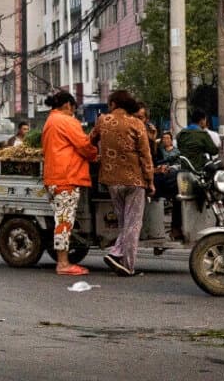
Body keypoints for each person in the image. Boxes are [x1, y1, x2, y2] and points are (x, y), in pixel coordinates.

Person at [90, 90, 153, 277]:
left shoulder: (103, 121)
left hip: (111, 181)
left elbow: (90, 141)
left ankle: (118, 256)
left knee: (124, 222)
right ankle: (126, 263)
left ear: (114, 104)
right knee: (133, 224)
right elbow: (145, 156)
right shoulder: (137, 124)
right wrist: (150, 181)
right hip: (134, 181)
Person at [41, 89, 98, 276]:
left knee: (61, 219)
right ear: (67, 105)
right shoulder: (66, 121)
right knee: (64, 221)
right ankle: (63, 263)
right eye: (73, 108)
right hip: (67, 177)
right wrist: (95, 154)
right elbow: (84, 145)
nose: (73, 112)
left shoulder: (50, 121)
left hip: (53, 177)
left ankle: (63, 261)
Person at [176, 108, 220, 174]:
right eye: (205, 120)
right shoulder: (202, 134)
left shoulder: (181, 134)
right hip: (198, 169)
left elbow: (179, 147)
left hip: (184, 168)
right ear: (202, 121)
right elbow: (213, 151)